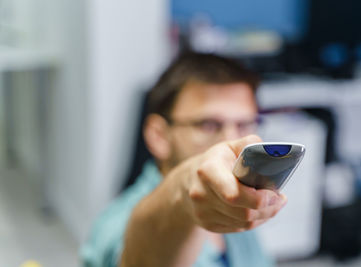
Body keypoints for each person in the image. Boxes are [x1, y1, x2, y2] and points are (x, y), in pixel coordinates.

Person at [81, 52, 287, 267]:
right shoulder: (116, 224)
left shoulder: (238, 205)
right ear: (159, 136)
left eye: (244, 125)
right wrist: (185, 193)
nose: (232, 141)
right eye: (208, 125)